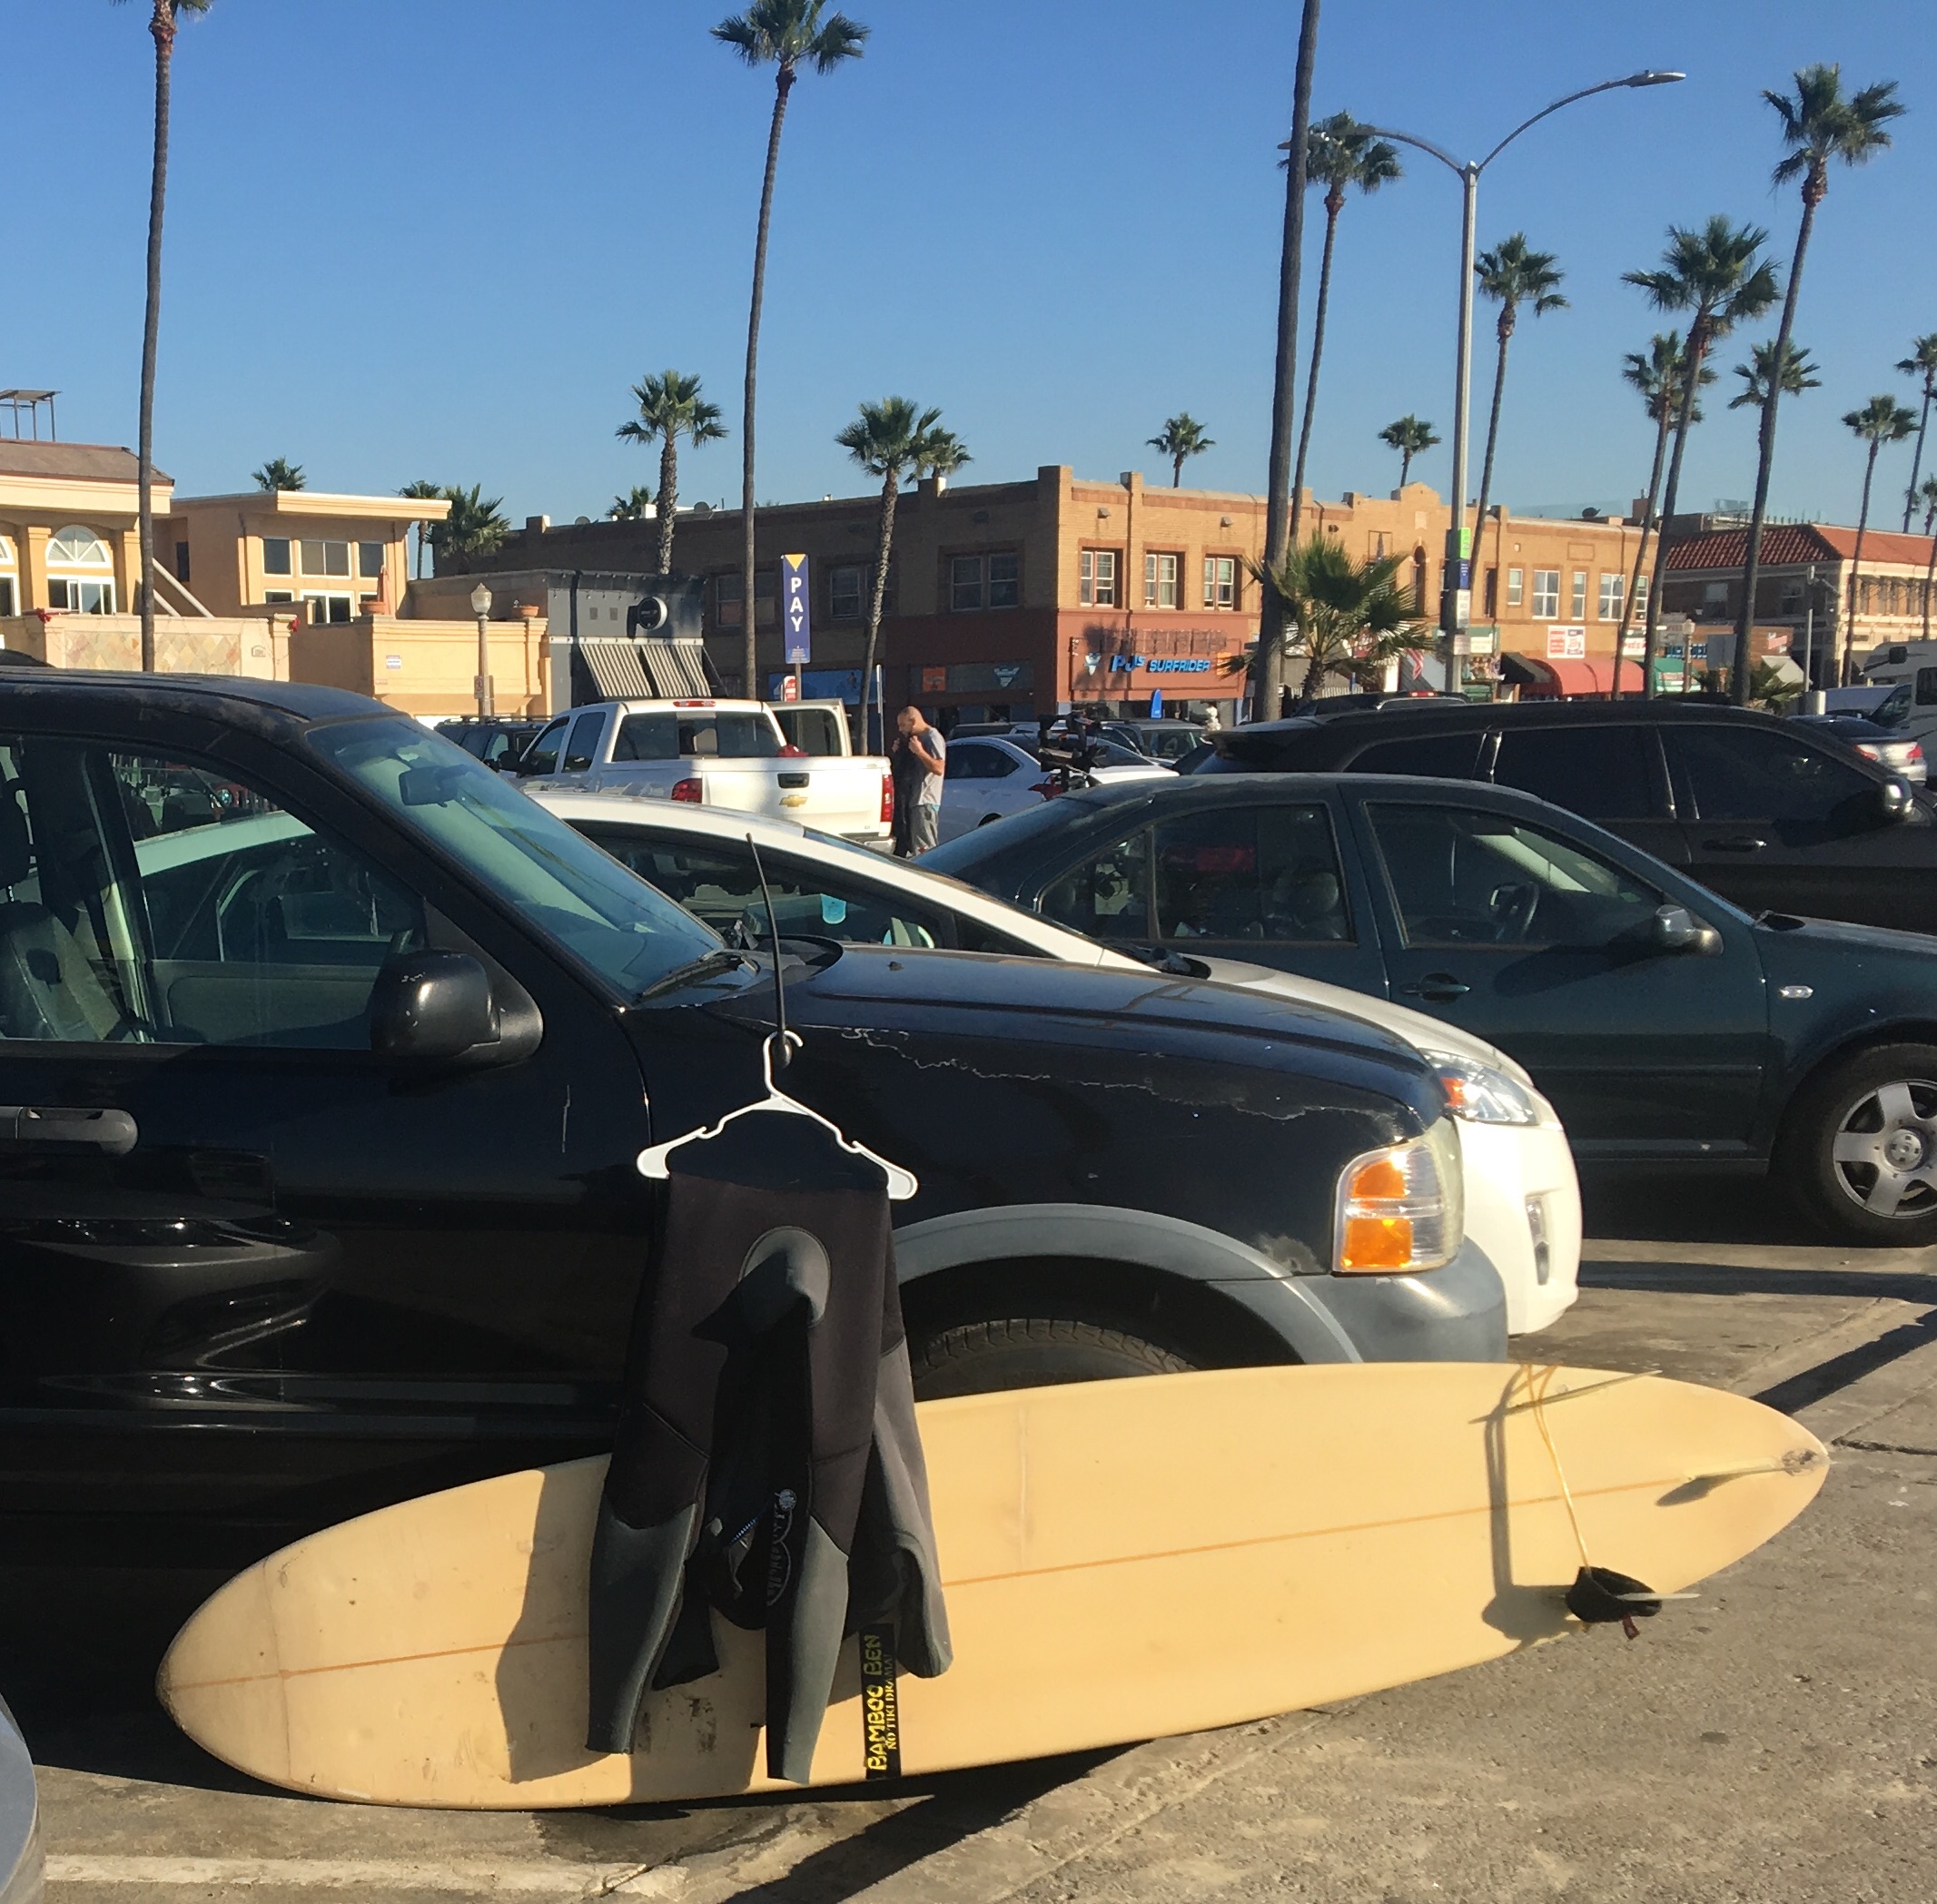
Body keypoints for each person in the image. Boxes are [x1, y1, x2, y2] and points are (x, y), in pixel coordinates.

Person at [891, 706, 945, 856]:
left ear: (913, 721)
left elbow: (939, 768)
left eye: (903, 725)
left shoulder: (932, 736)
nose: (900, 729)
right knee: (915, 848)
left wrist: (919, 751)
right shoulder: (916, 739)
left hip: (924, 801)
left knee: (925, 849)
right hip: (913, 801)